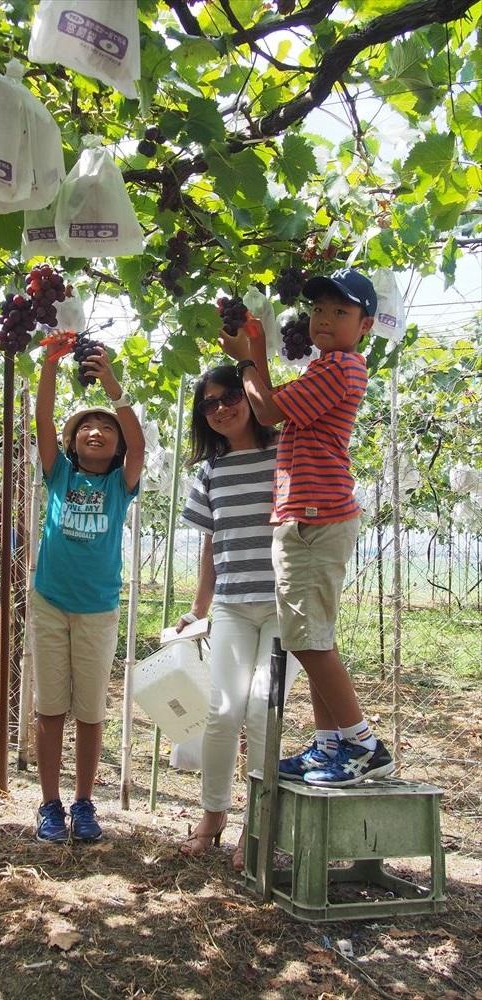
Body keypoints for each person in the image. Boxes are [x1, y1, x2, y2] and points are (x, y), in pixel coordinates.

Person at [222, 267, 394, 787]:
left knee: (309, 641)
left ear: (365, 324)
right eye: (319, 309)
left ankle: (363, 744)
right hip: (308, 515)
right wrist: (256, 342)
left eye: (340, 312)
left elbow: (269, 410)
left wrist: (250, 360)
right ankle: (329, 744)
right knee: (311, 635)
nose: (324, 319)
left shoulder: (339, 368)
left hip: (315, 518)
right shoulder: (331, 366)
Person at [177, 365, 300, 869]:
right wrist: (197, 609)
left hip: (282, 607)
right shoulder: (209, 472)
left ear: (249, 397)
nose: (222, 408)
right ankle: (213, 814)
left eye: (230, 396)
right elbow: (212, 546)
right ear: (202, 416)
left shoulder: (285, 454)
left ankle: (261, 821)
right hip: (231, 604)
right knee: (223, 711)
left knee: (261, 711)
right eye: (209, 404)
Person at [31, 340, 144, 843]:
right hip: (50, 603)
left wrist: (113, 385)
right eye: (86, 428)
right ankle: (50, 804)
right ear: (72, 442)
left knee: (91, 712)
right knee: (50, 708)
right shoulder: (58, 474)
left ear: (117, 446)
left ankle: (83, 803)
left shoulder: (121, 484)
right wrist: (51, 365)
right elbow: (42, 421)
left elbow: (141, 444)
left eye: (107, 428)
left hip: (98, 610)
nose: (96, 431)